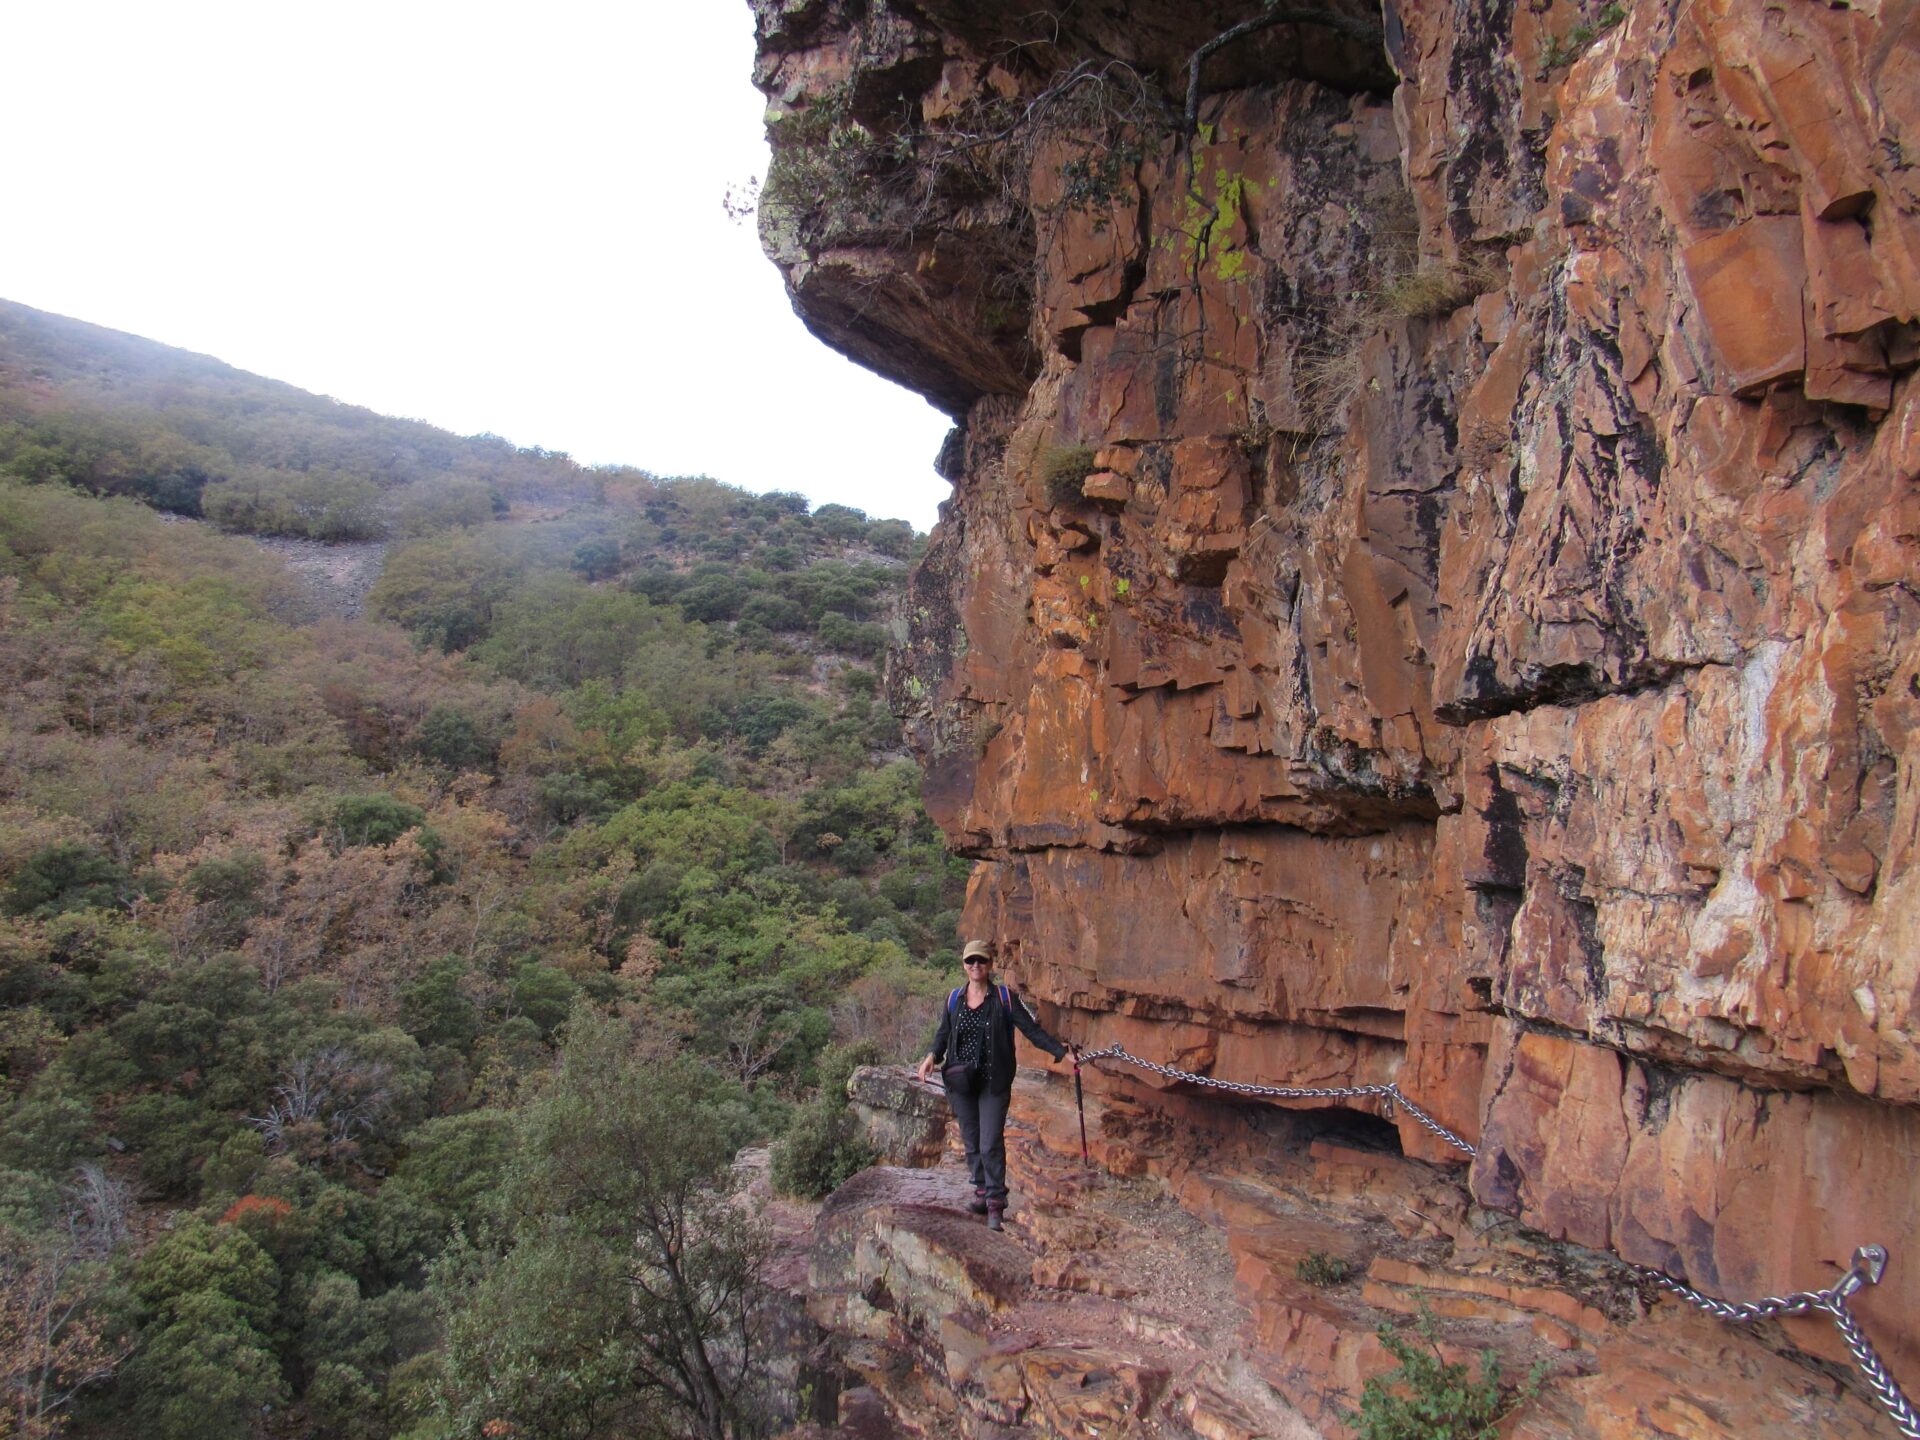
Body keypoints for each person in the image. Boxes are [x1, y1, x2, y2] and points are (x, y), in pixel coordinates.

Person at [915, 939, 1075, 1231]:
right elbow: (943, 1035)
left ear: (989, 965)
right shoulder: (954, 999)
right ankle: (980, 1192)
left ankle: (995, 1204)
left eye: (981, 961)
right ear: (964, 965)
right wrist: (931, 1058)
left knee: (990, 1142)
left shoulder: (1003, 998)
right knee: (972, 1140)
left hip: (993, 1082)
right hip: (960, 1080)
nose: (975, 966)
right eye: (970, 961)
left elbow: (1031, 1030)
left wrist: (1061, 1053)